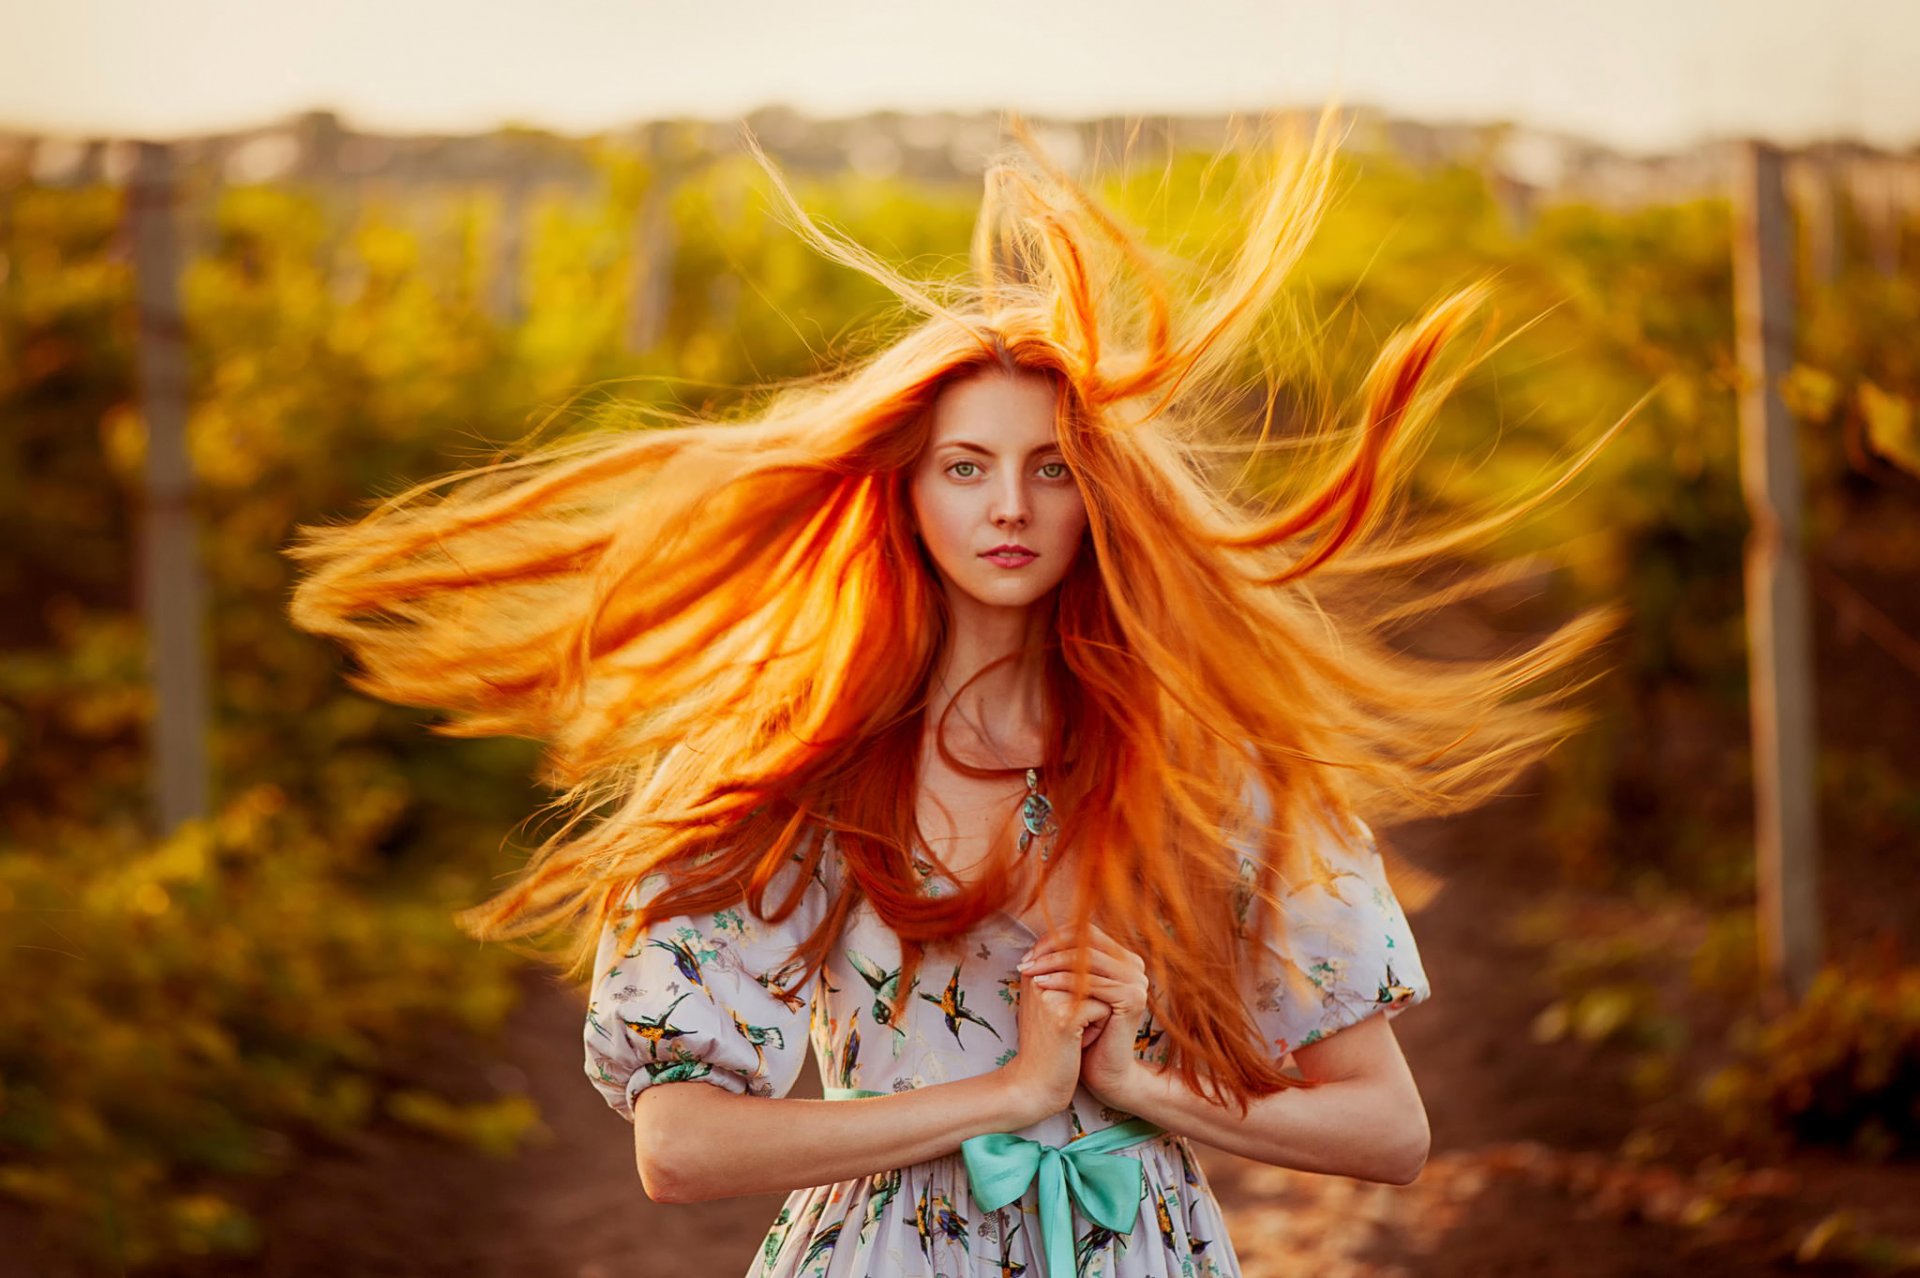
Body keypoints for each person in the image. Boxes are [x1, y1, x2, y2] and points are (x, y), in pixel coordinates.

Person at [287, 103, 1623, 1276]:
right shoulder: (795, 761)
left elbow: (1388, 1128)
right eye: (967, 467)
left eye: (1052, 468)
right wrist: (1009, 1090)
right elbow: (679, 1148)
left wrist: (1134, 1083)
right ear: (905, 491)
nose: (1011, 506)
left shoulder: (1213, 763)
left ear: (1102, 498)